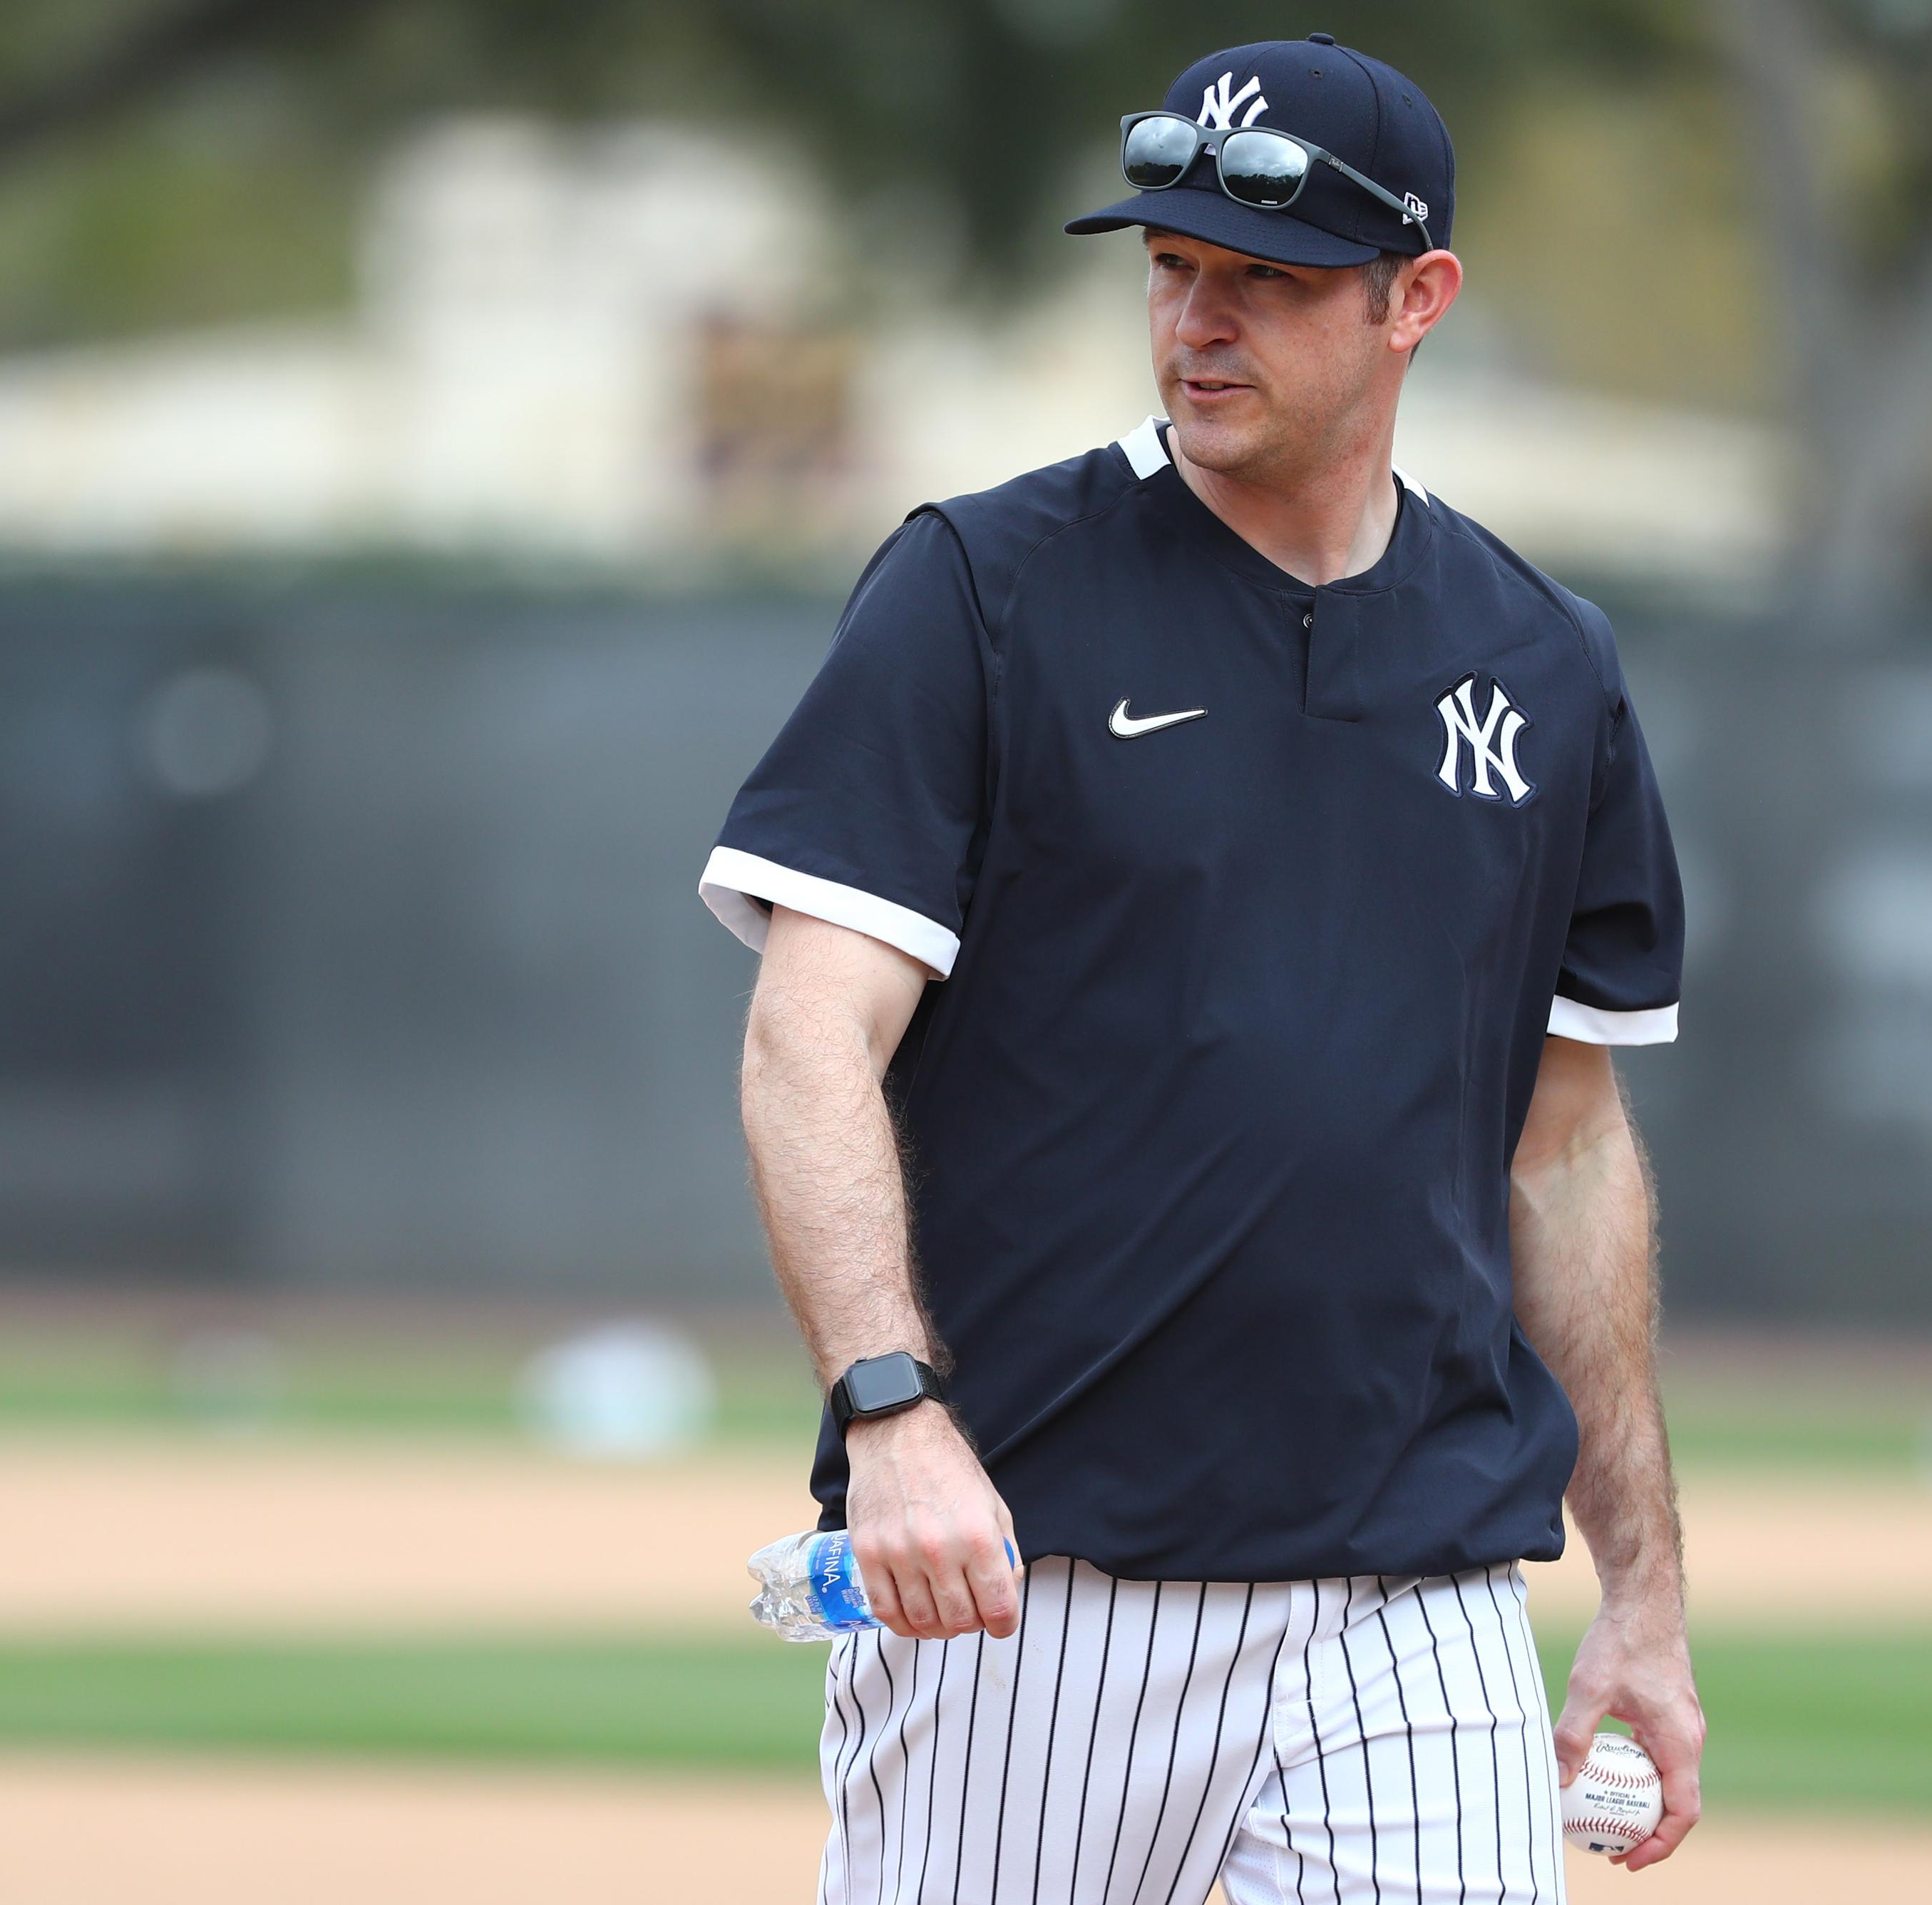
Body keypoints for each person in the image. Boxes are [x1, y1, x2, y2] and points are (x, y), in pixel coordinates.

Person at [699, 34, 1702, 1905]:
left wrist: (1639, 1587)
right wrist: (890, 1413)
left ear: (1420, 300)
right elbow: (807, 1025)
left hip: (1417, 1587)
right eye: (1171, 269)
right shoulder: (986, 591)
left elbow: (1566, 1145)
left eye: (1271, 281)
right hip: (1034, 1581)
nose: (1198, 322)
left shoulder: (1544, 666)